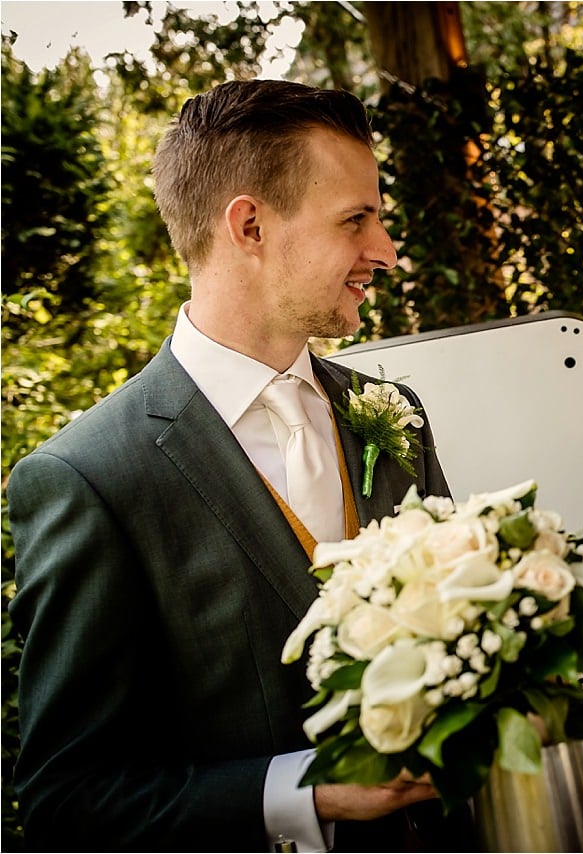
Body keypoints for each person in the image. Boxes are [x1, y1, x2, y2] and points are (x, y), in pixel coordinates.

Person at [6, 80, 460, 850]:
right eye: (357, 219)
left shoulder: (395, 411)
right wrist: (309, 793)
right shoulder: (89, 479)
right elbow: (67, 798)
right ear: (249, 225)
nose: (384, 251)